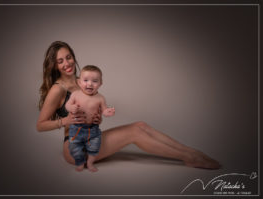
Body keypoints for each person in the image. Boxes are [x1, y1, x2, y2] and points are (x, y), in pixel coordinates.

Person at [36, 41, 221, 170]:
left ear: (73, 56)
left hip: (91, 137)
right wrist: (65, 120)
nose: (67, 63)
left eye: (68, 57)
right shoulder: (57, 89)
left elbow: (91, 110)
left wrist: (98, 116)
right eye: (60, 61)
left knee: (140, 125)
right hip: (75, 148)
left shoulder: (83, 80)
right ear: (54, 66)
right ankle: (188, 158)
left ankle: (190, 151)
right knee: (135, 133)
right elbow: (40, 125)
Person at [65, 65, 115, 172]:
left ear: (100, 83)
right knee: (74, 147)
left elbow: (103, 110)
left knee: (94, 149)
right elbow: (67, 105)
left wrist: (107, 112)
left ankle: (90, 163)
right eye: (86, 80)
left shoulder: (100, 98)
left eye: (95, 81)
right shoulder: (75, 94)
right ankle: (80, 162)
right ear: (79, 82)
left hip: (93, 129)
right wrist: (71, 107)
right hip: (77, 128)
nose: (90, 84)